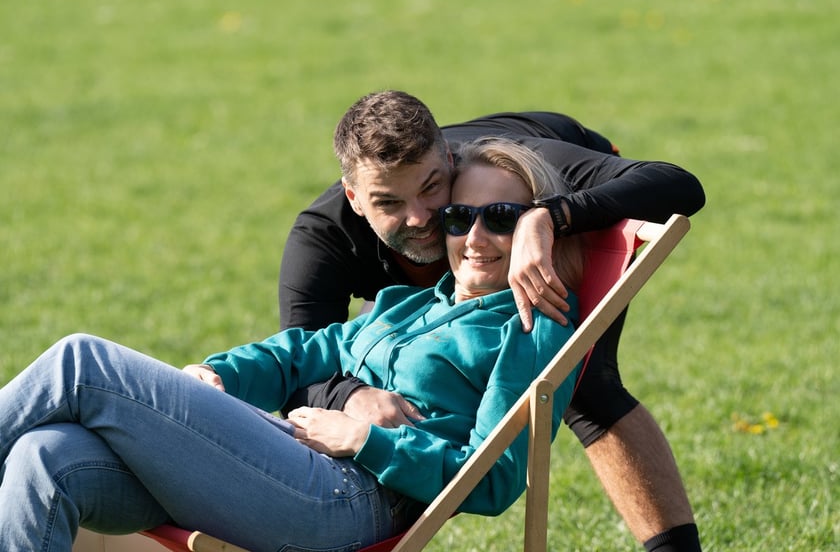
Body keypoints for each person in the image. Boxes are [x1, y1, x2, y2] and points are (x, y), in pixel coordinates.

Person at [0, 139, 585, 552]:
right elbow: (301, 352)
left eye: (503, 218)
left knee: (81, 362)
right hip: (289, 466)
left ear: (537, 231)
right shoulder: (413, 305)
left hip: (348, 503)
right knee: (45, 458)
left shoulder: (535, 323)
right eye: (460, 217)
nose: (475, 237)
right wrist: (218, 372)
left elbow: (495, 478)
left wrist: (366, 441)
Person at [278, 90, 705, 551]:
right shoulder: (321, 238)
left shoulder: (504, 168)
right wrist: (351, 394)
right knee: (372, 368)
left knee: (584, 387)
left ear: (448, 158)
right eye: (389, 203)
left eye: (429, 188)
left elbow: (679, 184)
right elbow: (298, 361)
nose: (420, 218)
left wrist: (546, 217)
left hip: (545, 212)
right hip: (447, 272)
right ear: (355, 198)